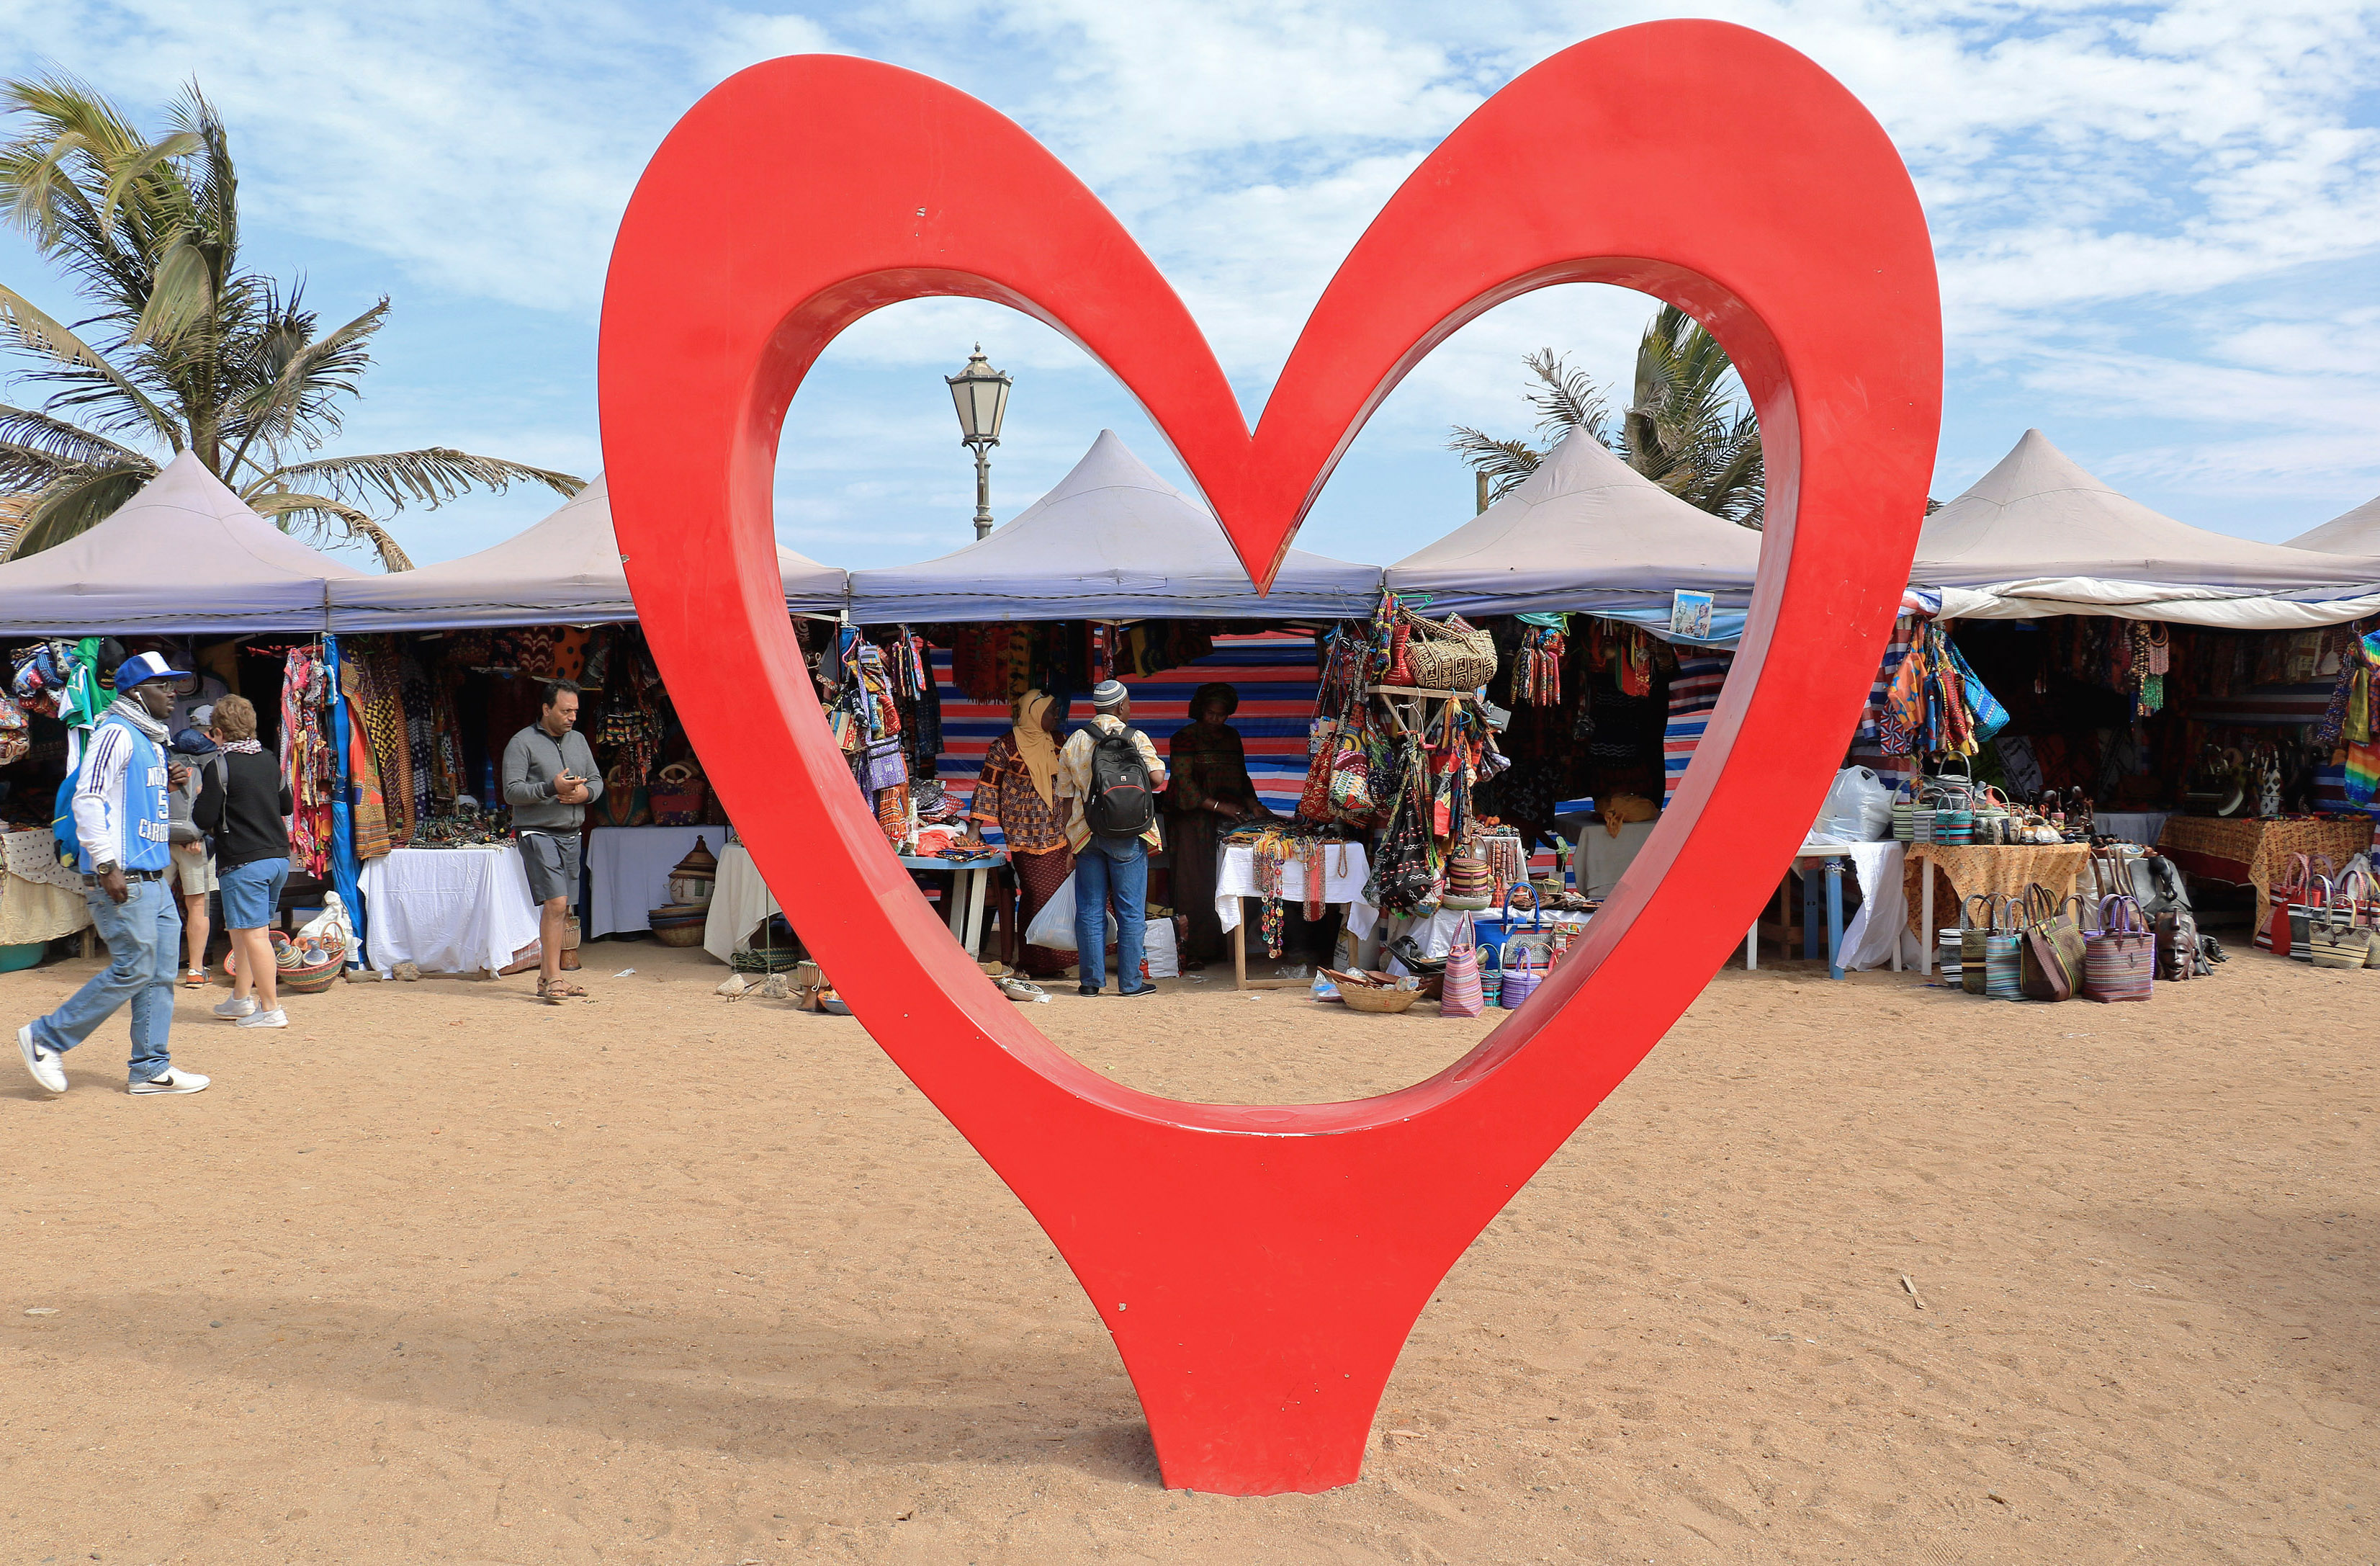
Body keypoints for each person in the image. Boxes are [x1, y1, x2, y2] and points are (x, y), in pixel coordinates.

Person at [14, 651, 210, 1096]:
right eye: (163, 686)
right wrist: (105, 864)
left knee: (159, 973)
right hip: (125, 879)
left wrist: (165, 780)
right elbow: (89, 798)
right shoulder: (116, 733)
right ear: (138, 694)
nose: (171, 693)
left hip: (154, 880)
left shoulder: (150, 741)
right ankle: (45, 1038)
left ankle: (150, 1069)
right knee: (134, 968)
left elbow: (129, 796)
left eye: (173, 685)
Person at [1055, 679, 1167, 998]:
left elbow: (1065, 797)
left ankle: (1091, 983)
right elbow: (1158, 780)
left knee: (1089, 910)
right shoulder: (1136, 738)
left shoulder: (1074, 742)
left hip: (1086, 834)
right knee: (1130, 911)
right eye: (1128, 704)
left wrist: (1068, 842)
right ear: (1120, 707)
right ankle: (1131, 983)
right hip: (1129, 835)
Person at [193, 694, 294, 1029]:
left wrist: (199, 798)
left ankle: (271, 1008)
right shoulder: (268, 759)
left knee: (255, 935)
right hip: (277, 858)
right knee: (243, 930)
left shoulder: (218, 766)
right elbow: (287, 806)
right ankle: (240, 999)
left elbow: (203, 817)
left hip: (243, 862)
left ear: (218, 732)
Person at [503, 679, 602, 1005]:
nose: (572, 717)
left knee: (563, 909)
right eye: (565, 710)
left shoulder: (579, 741)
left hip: (571, 833)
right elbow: (512, 791)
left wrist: (585, 794)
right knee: (556, 904)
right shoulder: (522, 743)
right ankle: (555, 977)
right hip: (537, 831)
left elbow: (598, 781)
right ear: (546, 709)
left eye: (575, 710)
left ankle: (546, 976)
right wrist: (551, 787)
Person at [969, 689, 1074, 979]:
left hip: (1061, 831)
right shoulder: (1004, 746)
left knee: (1061, 896)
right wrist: (975, 828)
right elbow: (988, 786)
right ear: (1034, 713)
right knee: (1037, 895)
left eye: (1056, 711)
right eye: (1051, 711)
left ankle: (1056, 962)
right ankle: (1033, 962)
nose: (1056, 717)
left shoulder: (1061, 743)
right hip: (1025, 833)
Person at [1164, 682, 1263, 970]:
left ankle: (1228, 949)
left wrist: (1252, 803)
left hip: (1227, 821)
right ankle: (1193, 950)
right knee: (1195, 884)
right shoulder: (1184, 738)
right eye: (1210, 713)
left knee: (1228, 882)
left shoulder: (1232, 737)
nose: (1215, 720)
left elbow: (1241, 778)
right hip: (1192, 821)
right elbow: (1183, 785)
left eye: (1221, 715)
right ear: (1199, 711)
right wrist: (1220, 806)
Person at [166, 706, 223, 988]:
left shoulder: (167, 752)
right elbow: (214, 804)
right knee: (198, 906)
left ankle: (155, 968)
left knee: (157, 904)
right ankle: (196, 970)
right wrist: (204, 835)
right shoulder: (213, 758)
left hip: (162, 839)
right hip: (196, 842)